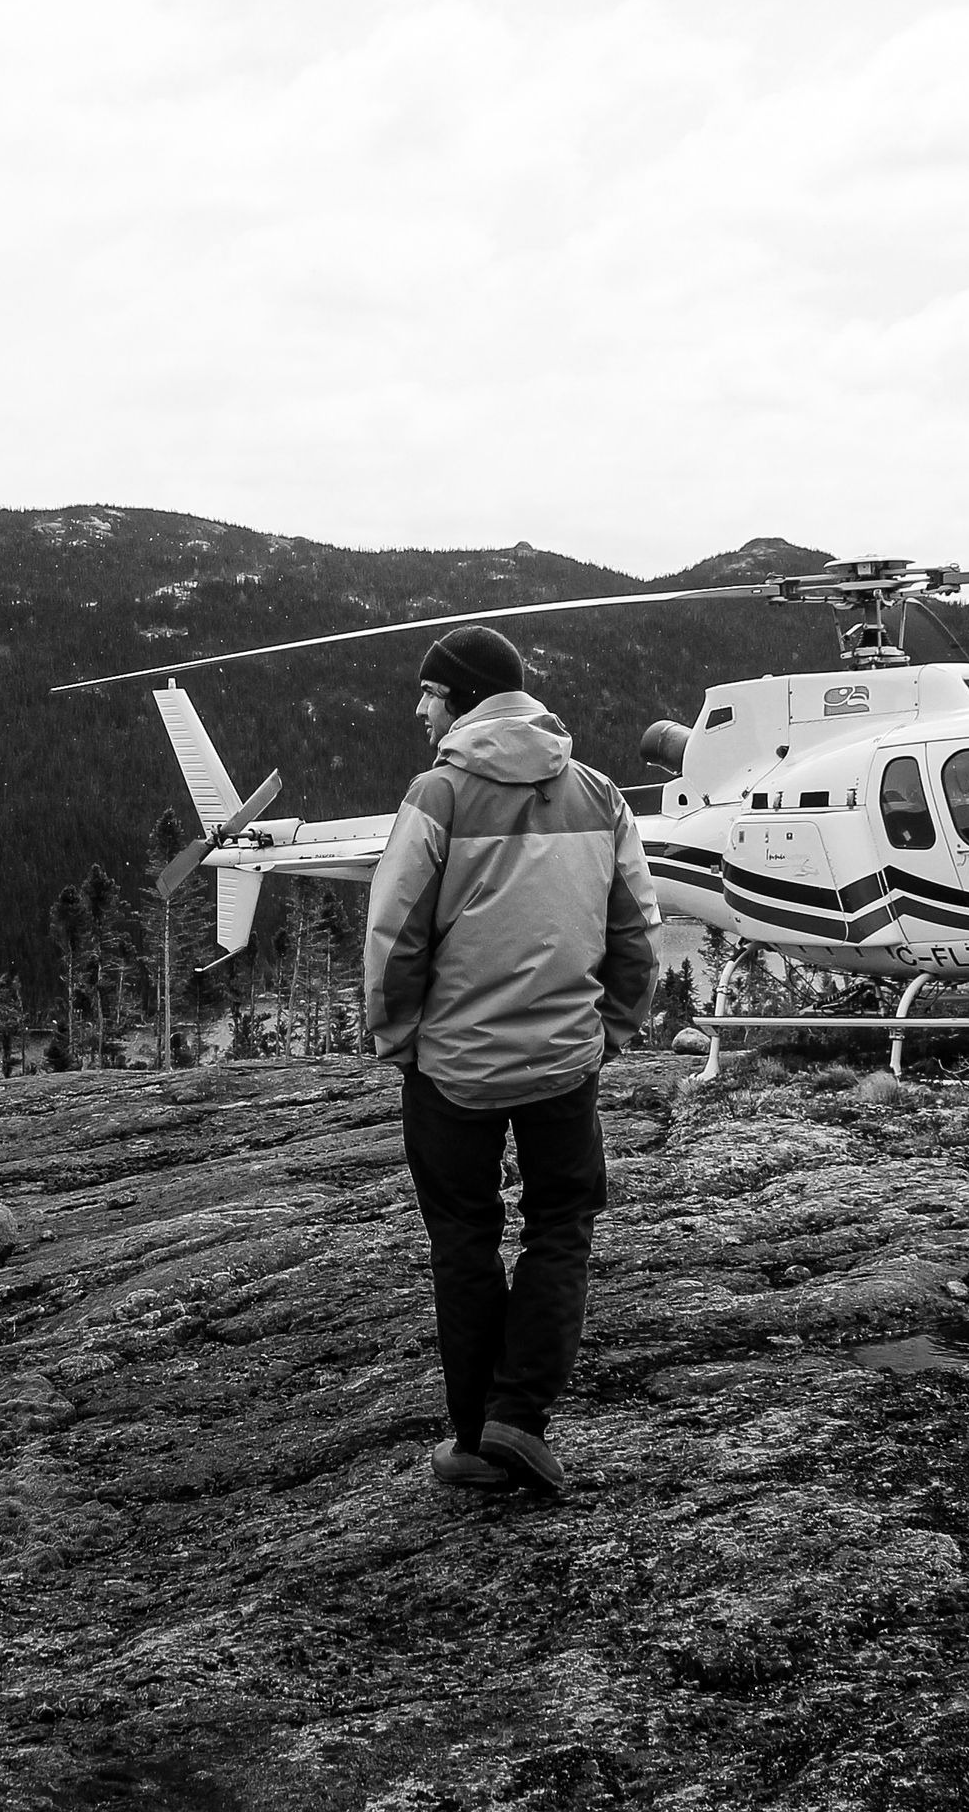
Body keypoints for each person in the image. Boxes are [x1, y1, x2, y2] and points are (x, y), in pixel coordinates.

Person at [364, 624, 661, 1493]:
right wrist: (611, 1030)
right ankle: (518, 1417)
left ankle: (471, 1442)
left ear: (460, 698)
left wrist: (400, 1038)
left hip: (451, 1071)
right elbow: (636, 929)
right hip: (566, 1066)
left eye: (428, 692)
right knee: (561, 1229)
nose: (420, 706)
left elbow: (394, 936)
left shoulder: (438, 795)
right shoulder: (600, 793)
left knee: (464, 1239)